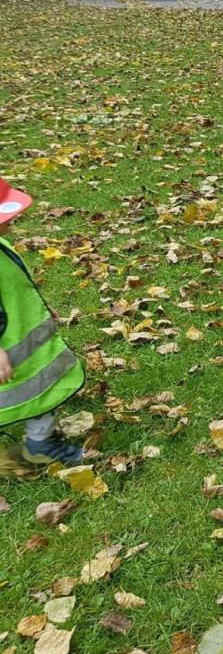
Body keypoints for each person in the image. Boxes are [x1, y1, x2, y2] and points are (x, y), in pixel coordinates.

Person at [0, 177, 86, 474]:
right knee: (16, 400)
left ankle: (41, 443)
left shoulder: (1, 244)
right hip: (7, 357)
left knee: (42, 390)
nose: (11, 221)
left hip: (27, 349)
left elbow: (15, 285)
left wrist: (38, 303)